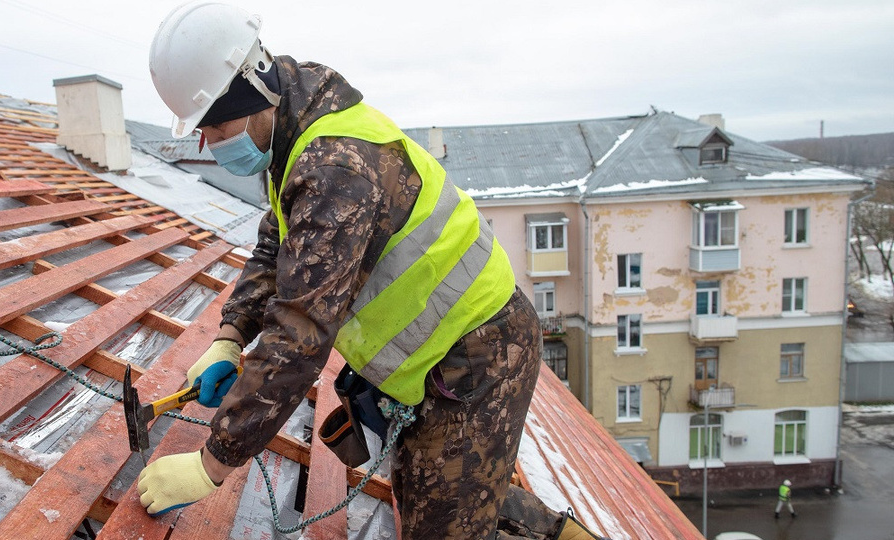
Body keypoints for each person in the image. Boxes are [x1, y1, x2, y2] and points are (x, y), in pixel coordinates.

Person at [136, 3, 609, 539]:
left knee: (438, 519)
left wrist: (212, 462)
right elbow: (277, 246)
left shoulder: (336, 167)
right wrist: (230, 335)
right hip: (438, 357)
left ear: (249, 95)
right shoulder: (293, 131)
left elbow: (300, 336)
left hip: (479, 355)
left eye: (214, 124)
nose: (210, 143)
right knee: (436, 491)